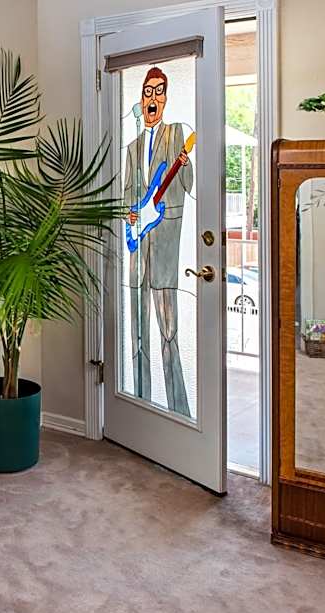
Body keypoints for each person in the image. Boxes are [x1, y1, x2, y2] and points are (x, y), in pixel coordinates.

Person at [123, 66, 194, 416]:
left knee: (169, 331)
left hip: (165, 243)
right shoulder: (133, 146)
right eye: (147, 92)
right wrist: (130, 215)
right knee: (138, 334)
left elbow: (189, 185)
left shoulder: (177, 133)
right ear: (142, 99)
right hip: (139, 247)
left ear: (165, 98)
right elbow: (127, 193)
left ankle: (179, 411)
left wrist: (185, 163)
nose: (152, 98)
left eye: (158, 91)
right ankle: (140, 402)